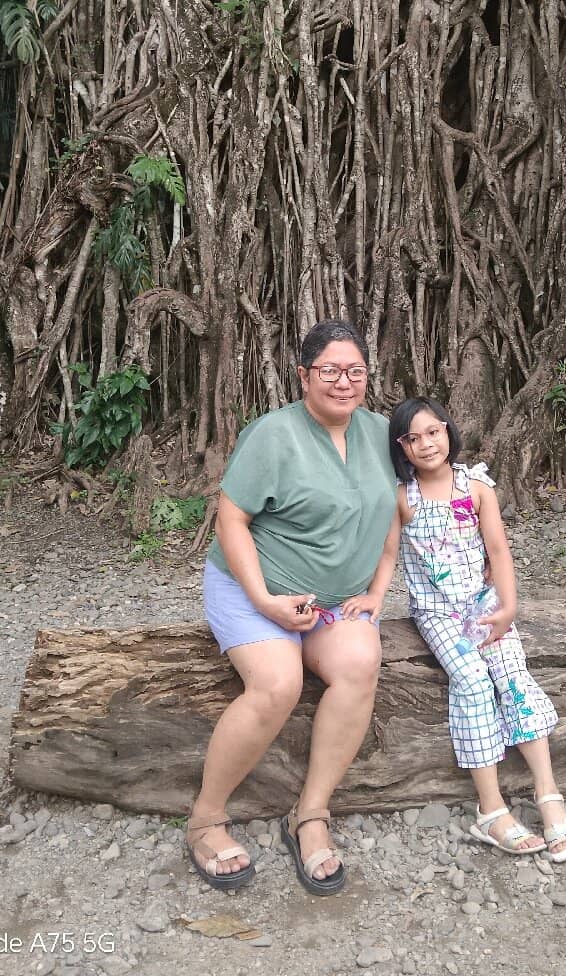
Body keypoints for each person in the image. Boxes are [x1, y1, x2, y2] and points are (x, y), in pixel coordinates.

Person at [186, 319, 399, 896]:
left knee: (361, 663)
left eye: (354, 371)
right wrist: (264, 600)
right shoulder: (272, 434)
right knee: (277, 683)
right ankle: (206, 818)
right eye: (329, 370)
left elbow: (396, 512)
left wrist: (379, 590)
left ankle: (309, 814)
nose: (343, 381)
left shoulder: (384, 433)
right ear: (304, 375)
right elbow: (231, 518)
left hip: (334, 603)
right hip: (255, 591)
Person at [374, 395, 566, 862]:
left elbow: (499, 551)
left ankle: (548, 794)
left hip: (484, 604)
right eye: (413, 437)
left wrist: (508, 607)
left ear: (448, 431)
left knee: (511, 671)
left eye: (434, 431)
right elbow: (388, 557)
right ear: (401, 447)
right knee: (470, 679)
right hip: (438, 615)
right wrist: (371, 600)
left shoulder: (477, 487)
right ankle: (491, 809)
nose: (426, 444)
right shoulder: (402, 498)